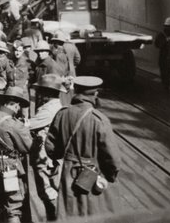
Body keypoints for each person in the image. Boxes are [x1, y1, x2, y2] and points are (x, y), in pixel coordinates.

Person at [45, 76, 121, 220]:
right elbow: (113, 157)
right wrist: (110, 176)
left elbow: (51, 147)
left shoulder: (62, 113)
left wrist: (60, 157)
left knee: (69, 212)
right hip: (92, 174)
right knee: (93, 213)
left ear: (76, 91)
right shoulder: (99, 119)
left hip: (68, 172)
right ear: (95, 94)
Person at [0, 86, 33, 223]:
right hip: (9, 167)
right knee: (13, 207)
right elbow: (27, 147)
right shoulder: (14, 124)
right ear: (15, 105)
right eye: (18, 106)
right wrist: (26, 129)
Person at [28, 74, 67, 222]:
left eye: (41, 90)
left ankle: (54, 218)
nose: (38, 92)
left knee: (46, 190)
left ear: (47, 92)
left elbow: (29, 125)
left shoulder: (49, 110)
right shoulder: (55, 105)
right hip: (49, 154)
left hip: (43, 155)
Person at [155, 17, 170, 92]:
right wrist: (165, 41)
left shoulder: (162, 34)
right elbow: (157, 45)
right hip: (165, 57)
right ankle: (167, 87)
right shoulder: (161, 34)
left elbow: (157, 45)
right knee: (165, 73)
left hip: (169, 57)